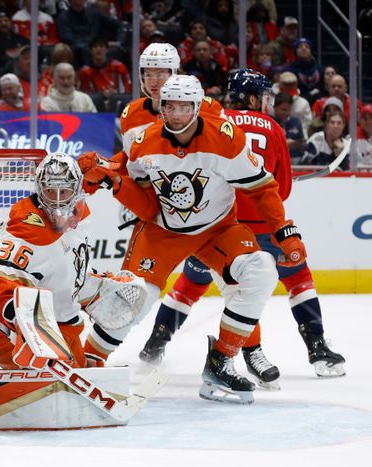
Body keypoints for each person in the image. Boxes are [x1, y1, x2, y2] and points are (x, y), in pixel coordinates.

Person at [79, 75, 306, 404]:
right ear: (162, 108)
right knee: (134, 298)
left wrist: (283, 230)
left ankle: (220, 362)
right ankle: (87, 363)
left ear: (197, 108)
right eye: (170, 106)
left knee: (260, 271)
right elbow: (146, 205)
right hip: (162, 230)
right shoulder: (143, 142)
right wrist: (115, 183)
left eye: (185, 107)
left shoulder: (226, 139)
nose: (177, 114)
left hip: (218, 228)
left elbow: (261, 187)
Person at [137, 69, 346, 385]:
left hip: (213, 225)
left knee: (192, 283)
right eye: (263, 97)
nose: (267, 103)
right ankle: (317, 349)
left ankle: (156, 342)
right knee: (296, 276)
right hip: (260, 226)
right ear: (251, 97)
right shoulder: (273, 128)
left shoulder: (209, 121)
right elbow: (282, 188)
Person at [0, 152, 130, 370]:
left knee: (127, 294)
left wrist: (96, 287)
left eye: (64, 191)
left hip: (63, 330)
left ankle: (84, 361)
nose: (58, 200)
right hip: (18, 340)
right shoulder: (28, 231)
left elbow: (66, 273)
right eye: (51, 191)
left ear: (77, 190)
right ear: (40, 191)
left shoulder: (80, 219)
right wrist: (23, 322)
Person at [273, 91, 306, 163]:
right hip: (275, 158)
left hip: (296, 159)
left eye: (289, 110)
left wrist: (297, 144)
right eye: (284, 110)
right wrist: (284, 144)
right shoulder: (269, 122)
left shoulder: (296, 122)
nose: (287, 113)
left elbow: (302, 143)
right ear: (274, 107)